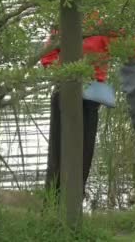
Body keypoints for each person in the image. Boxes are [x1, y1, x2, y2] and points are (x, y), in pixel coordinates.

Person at [42, 18, 111, 197]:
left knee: (85, 146)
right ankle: (53, 197)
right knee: (58, 145)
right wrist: (67, 73)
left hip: (91, 93)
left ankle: (76, 193)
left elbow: (125, 46)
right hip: (64, 89)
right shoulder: (62, 22)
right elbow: (47, 57)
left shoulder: (102, 23)